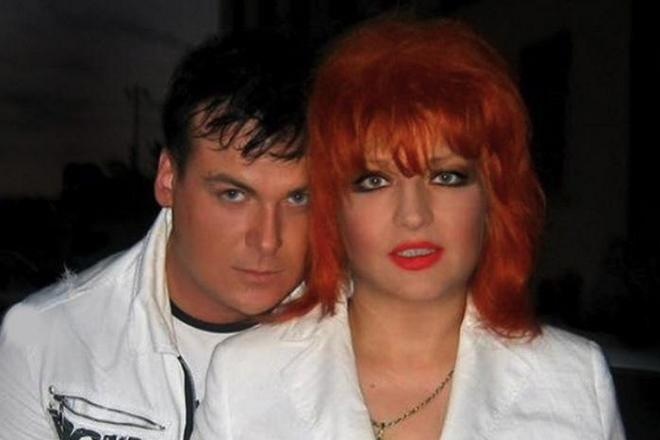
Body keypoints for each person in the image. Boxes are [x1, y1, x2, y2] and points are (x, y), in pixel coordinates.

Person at [192, 17, 626, 439]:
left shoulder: (573, 381)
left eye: (447, 177)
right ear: (331, 207)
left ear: (493, 196)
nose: (414, 215)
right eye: (374, 181)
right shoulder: (244, 379)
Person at [0, 32, 312, 439]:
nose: (268, 240)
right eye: (233, 195)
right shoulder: (47, 337)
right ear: (168, 179)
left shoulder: (358, 338)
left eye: (299, 198)